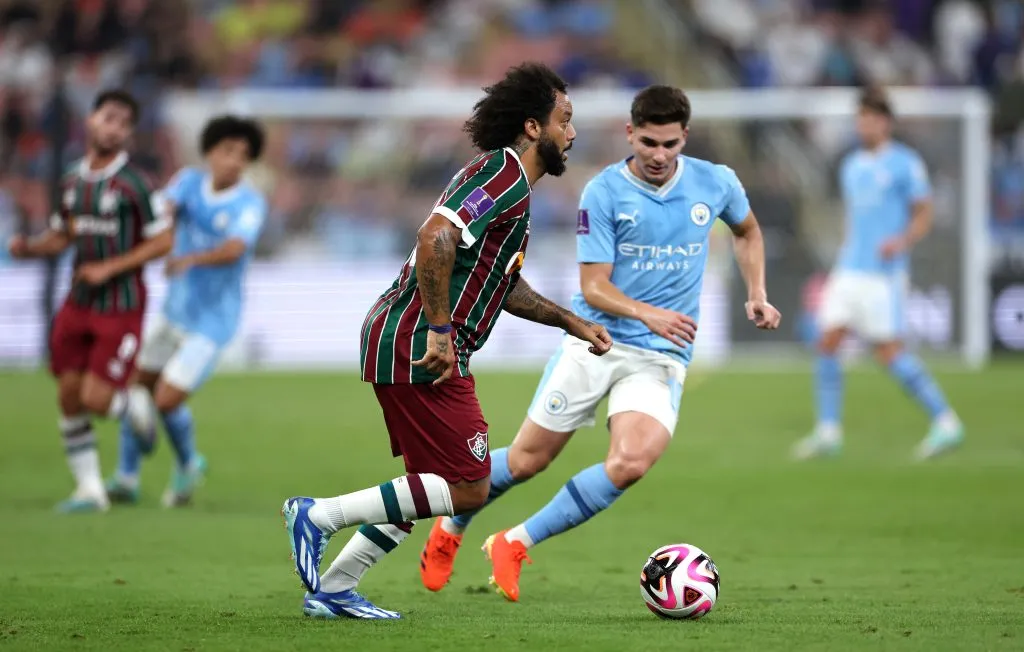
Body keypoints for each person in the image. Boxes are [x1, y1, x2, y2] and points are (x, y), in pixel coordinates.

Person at [419, 85, 782, 602]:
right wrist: (648, 313)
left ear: (685, 138)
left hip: (660, 353)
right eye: (649, 142)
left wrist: (757, 293)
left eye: (671, 144)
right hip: (596, 340)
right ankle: (451, 527)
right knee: (526, 461)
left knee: (632, 461)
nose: (659, 155)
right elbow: (593, 286)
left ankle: (516, 542)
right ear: (630, 134)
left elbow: (747, 232)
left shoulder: (716, 183)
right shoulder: (604, 192)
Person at [280, 62, 612, 620]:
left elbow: (500, 285)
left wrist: (568, 321)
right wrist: (438, 330)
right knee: (468, 490)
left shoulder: (512, 191)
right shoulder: (502, 175)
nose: (572, 133)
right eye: (565, 120)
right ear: (533, 127)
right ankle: (316, 516)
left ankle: (335, 588)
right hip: (420, 339)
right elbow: (435, 234)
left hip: (408, 334)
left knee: (426, 485)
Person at [7, 89, 172, 513]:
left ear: (128, 134)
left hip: (121, 303)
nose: (113, 127)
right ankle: (90, 490)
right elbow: (64, 234)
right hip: (77, 302)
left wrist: (111, 267)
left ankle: (132, 402)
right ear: (91, 121)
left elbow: (163, 240)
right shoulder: (70, 181)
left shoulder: (137, 183)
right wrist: (32, 247)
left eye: (122, 122)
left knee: (97, 400)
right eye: (107, 117)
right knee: (68, 395)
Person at [793, 86, 963, 461]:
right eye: (860, 118)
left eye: (870, 118)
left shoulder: (905, 163)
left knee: (889, 353)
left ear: (885, 123)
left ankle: (946, 421)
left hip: (882, 275)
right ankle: (828, 431)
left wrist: (903, 240)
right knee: (827, 343)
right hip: (849, 269)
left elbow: (924, 212)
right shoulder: (851, 166)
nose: (864, 125)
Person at [105, 115, 267, 507]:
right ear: (209, 152)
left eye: (243, 155)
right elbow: (161, 213)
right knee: (137, 387)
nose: (235, 161)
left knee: (164, 400)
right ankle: (127, 477)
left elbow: (234, 249)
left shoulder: (249, 202)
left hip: (212, 323)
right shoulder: (187, 182)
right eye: (228, 151)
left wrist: (189, 258)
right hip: (173, 310)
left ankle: (189, 461)